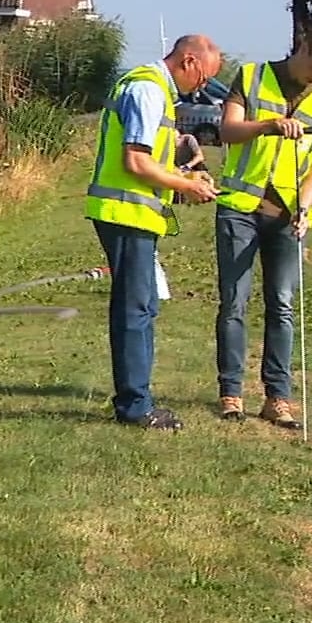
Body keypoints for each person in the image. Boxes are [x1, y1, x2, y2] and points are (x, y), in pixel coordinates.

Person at [211, 24, 312, 428]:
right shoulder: (252, 77)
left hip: (288, 217)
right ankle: (231, 393)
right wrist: (268, 125)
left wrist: (306, 207)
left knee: (283, 306)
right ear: (301, 50)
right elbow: (228, 130)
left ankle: (278, 398)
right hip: (239, 208)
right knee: (234, 302)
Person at [84, 34, 223, 429]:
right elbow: (135, 161)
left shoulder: (153, 88)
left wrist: (181, 177)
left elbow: (149, 162)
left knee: (143, 306)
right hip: (124, 213)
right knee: (135, 309)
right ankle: (134, 406)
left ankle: (138, 400)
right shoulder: (147, 89)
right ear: (189, 60)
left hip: (134, 213)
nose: (200, 88)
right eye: (202, 78)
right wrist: (188, 186)